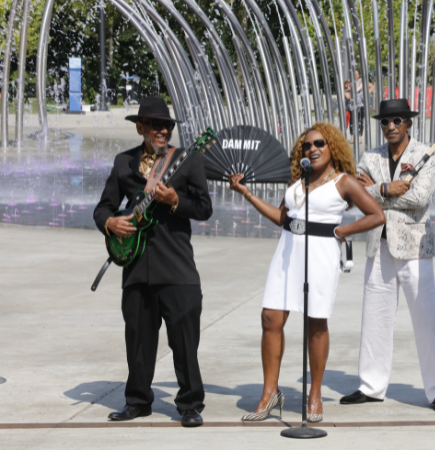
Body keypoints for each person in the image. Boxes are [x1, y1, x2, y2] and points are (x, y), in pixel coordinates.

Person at [229, 122, 385, 423]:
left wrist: (341, 231)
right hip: (287, 252)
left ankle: (314, 394)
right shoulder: (296, 181)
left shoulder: (344, 181)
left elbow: (376, 215)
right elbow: (281, 218)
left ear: (332, 148)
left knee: (316, 322)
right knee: (270, 318)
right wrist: (247, 194)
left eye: (319, 144)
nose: (312, 149)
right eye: (307, 145)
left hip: (321, 255)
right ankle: (269, 392)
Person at [93, 96, 212, 427]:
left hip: (177, 267)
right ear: (140, 127)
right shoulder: (123, 163)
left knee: (184, 342)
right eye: (156, 125)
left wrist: (175, 200)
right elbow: (103, 207)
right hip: (136, 267)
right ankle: (138, 401)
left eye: (168, 125)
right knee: (139, 341)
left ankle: (189, 404)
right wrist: (110, 223)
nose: (163, 130)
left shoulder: (186, 161)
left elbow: (204, 208)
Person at [339, 99, 435, 412]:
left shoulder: (425, 153)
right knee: (374, 318)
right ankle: (371, 386)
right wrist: (387, 189)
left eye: (398, 121)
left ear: (409, 124)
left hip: (415, 247)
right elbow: (356, 198)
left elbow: (420, 197)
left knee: (426, 320)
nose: (391, 127)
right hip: (378, 246)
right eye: (386, 122)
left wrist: (374, 191)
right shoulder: (370, 156)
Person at [344, 70, 374, 144]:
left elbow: (372, 86)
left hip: (361, 105)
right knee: (352, 121)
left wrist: (367, 94)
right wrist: (349, 93)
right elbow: (346, 93)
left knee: (360, 121)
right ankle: (352, 136)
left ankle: (359, 137)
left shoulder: (362, 81)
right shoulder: (348, 82)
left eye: (356, 74)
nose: (355, 75)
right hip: (351, 105)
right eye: (354, 74)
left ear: (359, 75)